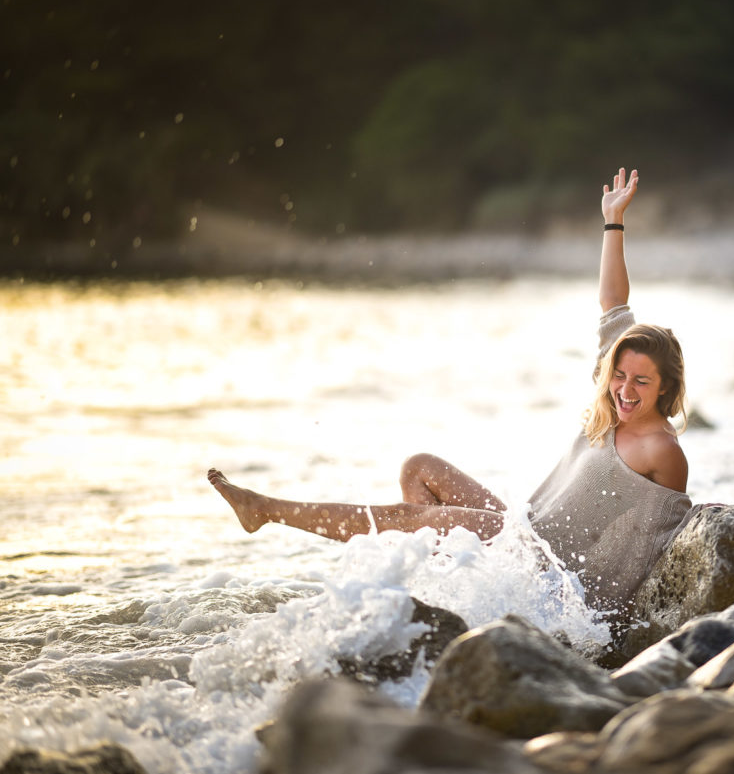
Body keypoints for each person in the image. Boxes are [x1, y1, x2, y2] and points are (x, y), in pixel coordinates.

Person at [207, 167, 693, 616]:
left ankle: (266, 510)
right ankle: (446, 597)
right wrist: (613, 222)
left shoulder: (660, 449)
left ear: (666, 386)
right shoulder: (614, 392)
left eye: (642, 382)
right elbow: (613, 301)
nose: (625, 389)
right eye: (620, 375)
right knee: (419, 467)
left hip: (544, 568)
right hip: (524, 528)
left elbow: (659, 535)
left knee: (408, 516)